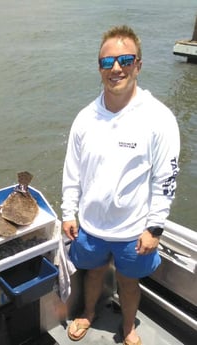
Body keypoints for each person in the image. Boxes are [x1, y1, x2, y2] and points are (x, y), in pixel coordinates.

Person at [61, 25, 180, 345]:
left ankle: (128, 327)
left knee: (129, 282)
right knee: (94, 273)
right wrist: (68, 212)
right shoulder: (85, 119)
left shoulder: (159, 118)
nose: (116, 68)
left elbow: (165, 178)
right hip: (91, 225)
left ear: (138, 65)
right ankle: (87, 313)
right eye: (107, 62)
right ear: (99, 68)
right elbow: (72, 170)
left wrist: (154, 228)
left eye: (125, 60)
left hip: (134, 229)